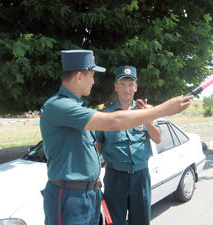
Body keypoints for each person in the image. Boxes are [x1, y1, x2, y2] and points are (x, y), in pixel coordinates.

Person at [40, 49, 193, 225]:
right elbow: (114, 122)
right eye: (92, 75)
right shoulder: (60, 106)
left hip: (92, 192)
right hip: (72, 195)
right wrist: (164, 109)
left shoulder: (77, 106)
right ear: (80, 76)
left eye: (131, 84)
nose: (94, 80)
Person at [95, 65, 161, 225]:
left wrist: (145, 117)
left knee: (141, 221)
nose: (127, 89)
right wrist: (95, 173)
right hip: (115, 176)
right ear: (116, 86)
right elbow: (97, 146)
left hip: (141, 175)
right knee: (114, 221)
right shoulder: (104, 113)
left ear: (136, 87)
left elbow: (158, 138)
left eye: (131, 84)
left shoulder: (145, 111)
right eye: (123, 84)